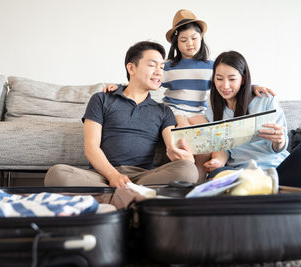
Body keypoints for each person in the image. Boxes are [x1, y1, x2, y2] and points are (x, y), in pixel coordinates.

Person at [102, 9, 274, 181]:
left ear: (201, 39)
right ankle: (188, 175)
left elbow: (227, 81)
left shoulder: (210, 66)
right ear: (176, 43)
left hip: (199, 111)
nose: (189, 44)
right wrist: (119, 85)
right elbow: (147, 80)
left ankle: (199, 181)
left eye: (194, 38)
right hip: (175, 110)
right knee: (188, 135)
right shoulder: (167, 65)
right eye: (183, 40)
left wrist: (253, 87)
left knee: (208, 138)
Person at [44, 41, 199, 188]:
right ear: (131, 68)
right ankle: (132, 194)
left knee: (188, 170)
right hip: (101, 175)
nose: (159, 71)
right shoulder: (102, 99)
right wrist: (113, 176)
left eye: (162, 67)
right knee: (56, 174)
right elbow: (91, 147)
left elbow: (173, 145)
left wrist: (184, 157)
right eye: (152, 65)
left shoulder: (164, 111)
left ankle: (114, 194)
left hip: (143, 177)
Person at [201, 50, 301, 189]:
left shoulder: (265, 99)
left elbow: (277, 147)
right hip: (242, 174)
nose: (225, 85)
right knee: (216, 174)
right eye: (219, 78)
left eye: (232, 79)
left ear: (243, 79)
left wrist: (280, 140)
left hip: (278, 172)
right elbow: (223, 149)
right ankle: (276, 195)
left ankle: (267, 192)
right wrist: (217, 162)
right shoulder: (212, 113)